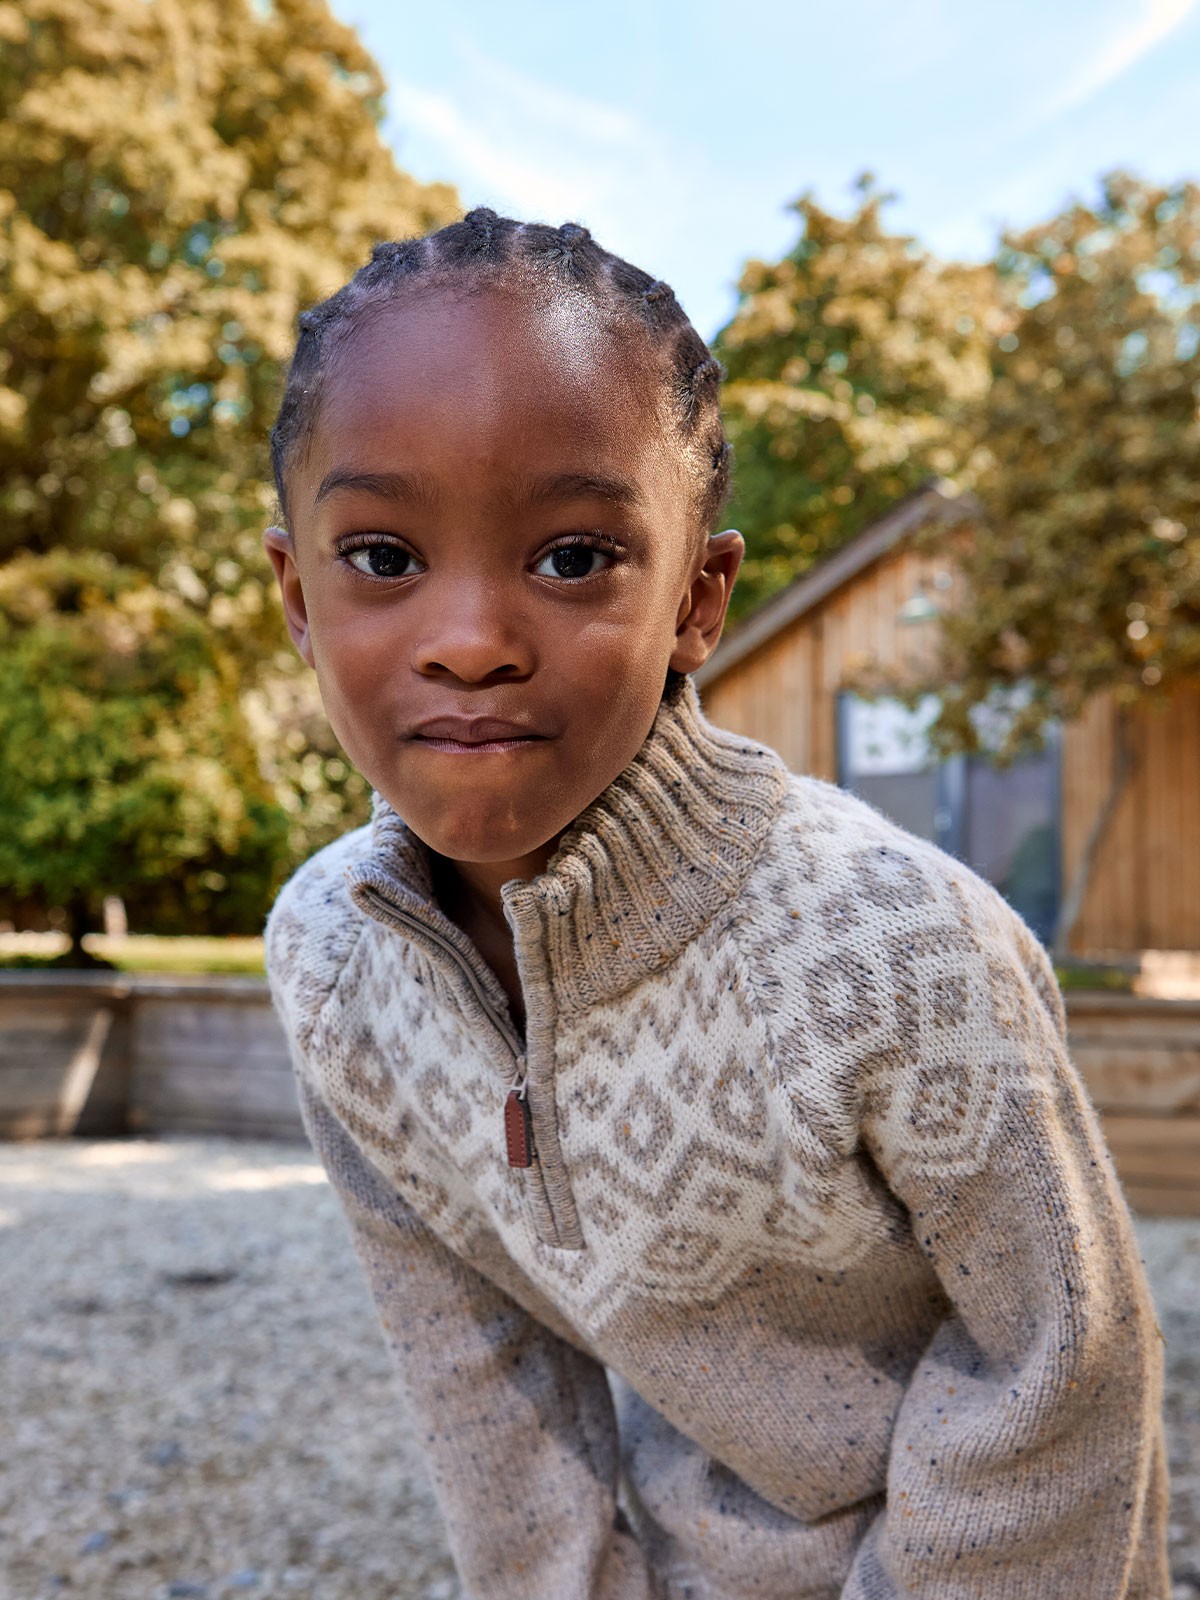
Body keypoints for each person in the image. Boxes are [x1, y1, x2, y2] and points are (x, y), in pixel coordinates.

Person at [261, 207, 1170, 1600]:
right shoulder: (330, 964)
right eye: (383, 557)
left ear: (700, 597)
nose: (472, 642)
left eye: (573, 559)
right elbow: (478, 1375)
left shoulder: (899, 948)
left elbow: (1063, 1380)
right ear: (297, 597)